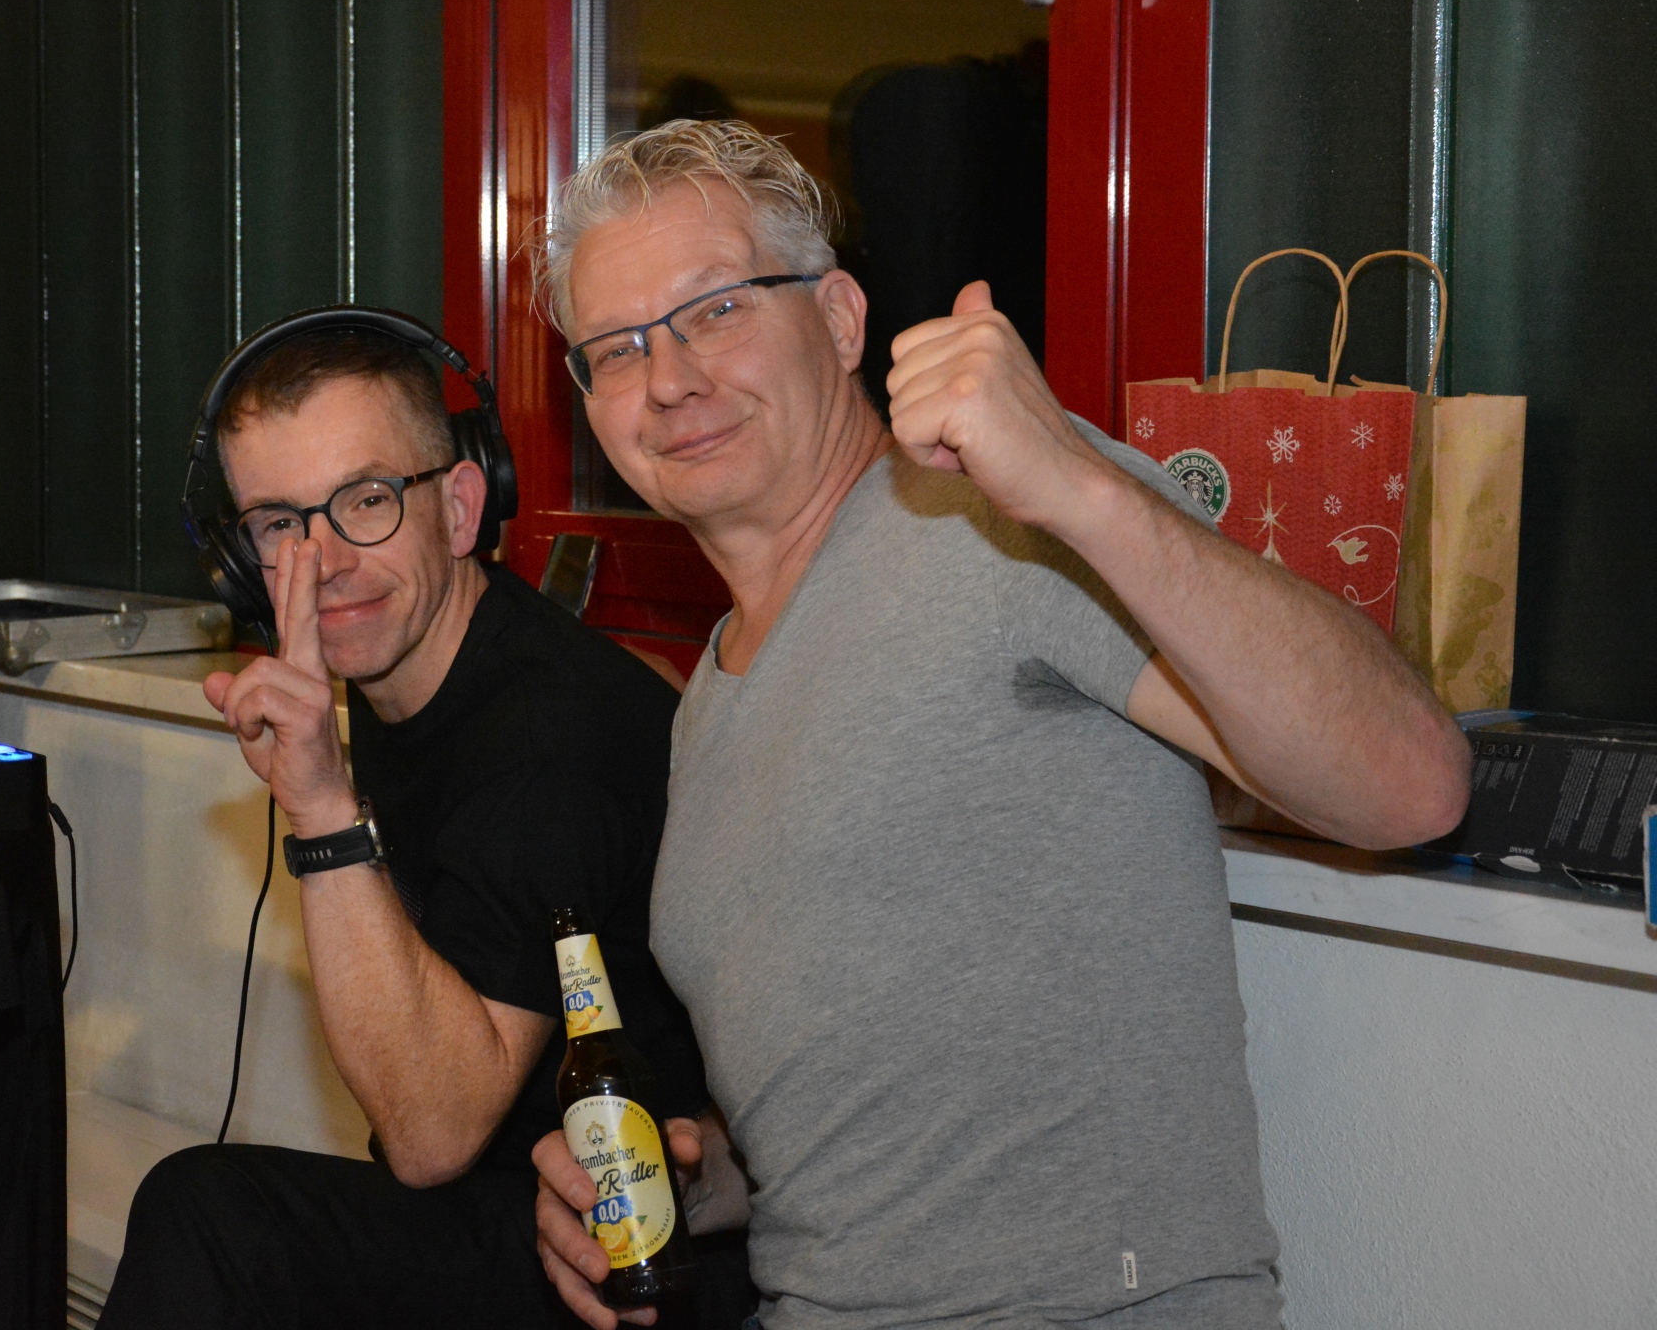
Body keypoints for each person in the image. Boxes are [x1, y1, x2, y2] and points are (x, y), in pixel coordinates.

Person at [527, 121, 1472, 1330]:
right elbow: (867, 1138)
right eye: (617, 347)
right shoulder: (709, 697)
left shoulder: (996, 520)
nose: (668, 377)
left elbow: (1410, 782)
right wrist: (694, 1185)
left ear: (840, 319)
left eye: (716, 309)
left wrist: (1077, 482)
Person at [98, 322, 723, 1329]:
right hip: (508, 1203)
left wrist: (322, 810)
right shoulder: (406, 661)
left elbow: (432, 1136)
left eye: (367, 500)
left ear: (462, 507)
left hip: (632, 1256)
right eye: (278, 523)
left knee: (210, 1216)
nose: (325, 563)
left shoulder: (545, 742)